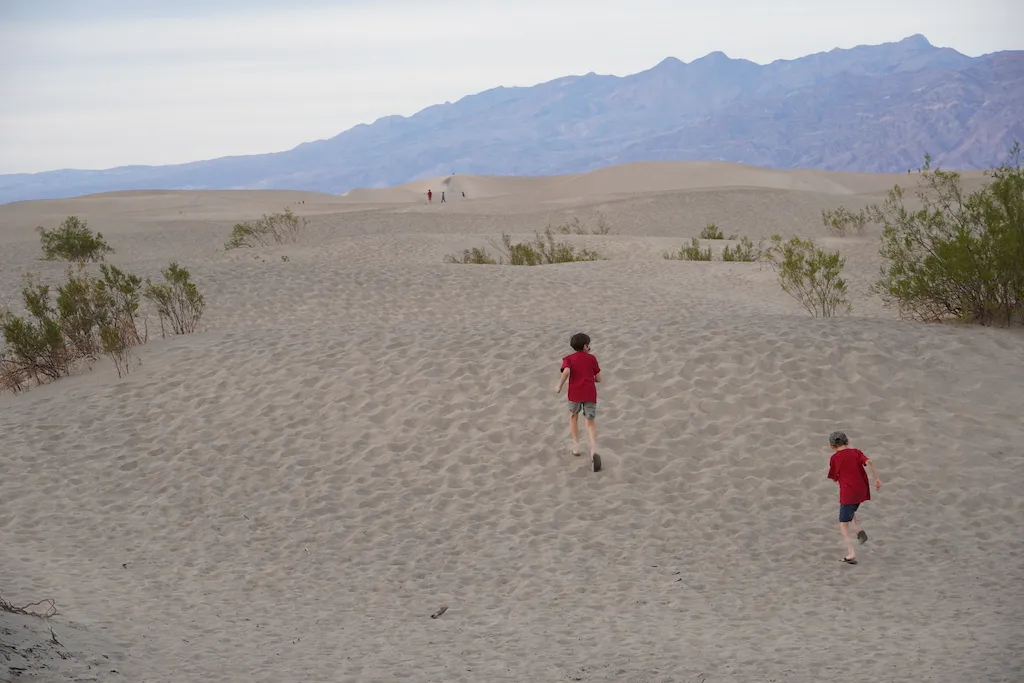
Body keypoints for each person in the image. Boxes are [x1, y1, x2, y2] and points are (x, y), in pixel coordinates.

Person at [826, 431, 882, 564]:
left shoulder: (834, 458)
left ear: (832, 446)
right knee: (850, 512)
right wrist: (877, 478)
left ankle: (851, 553)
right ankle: (859, 531)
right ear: (847, 441)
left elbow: (834, 477)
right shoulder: (856, 452)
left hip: (848, 492)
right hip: (861, 490)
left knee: (843, 523)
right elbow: (869, 461)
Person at [555, 333, 602, 471]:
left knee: (573, 417)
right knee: (590, 421)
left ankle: (576, 447)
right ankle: (594, 450)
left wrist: (559, 385)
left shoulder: (568, 359)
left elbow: (567, 371)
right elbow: (598, 378)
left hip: (575, 393)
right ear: (585, 346)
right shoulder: (592, 359)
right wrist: (588, 377)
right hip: (589, 393)